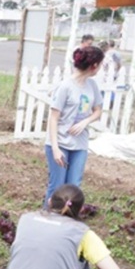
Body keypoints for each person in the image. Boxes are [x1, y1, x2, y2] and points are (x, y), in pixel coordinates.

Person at [44, 45, 104, 204]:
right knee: (57, 188)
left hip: (80, 144)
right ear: (94, 66)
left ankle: (66, 222)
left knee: (73, 188)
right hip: (60, 143)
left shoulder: (92, 86)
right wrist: (55, 149)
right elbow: (53, 118)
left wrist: (85, 122)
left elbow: (98, 111)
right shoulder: (65, 87)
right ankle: (47, 219)